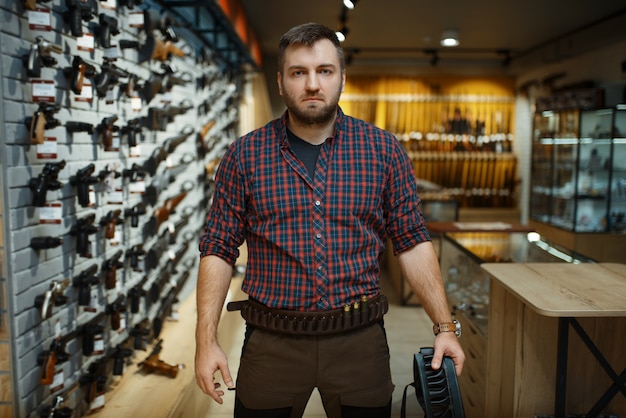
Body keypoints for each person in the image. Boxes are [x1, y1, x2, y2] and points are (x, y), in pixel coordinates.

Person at [195, 22, 465, 418]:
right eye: (298, 72)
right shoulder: (244, 155)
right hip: (272, 344)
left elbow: (412, 241)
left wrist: (444, 327)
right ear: (281, 82)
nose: (312, 84)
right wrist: (206, 340)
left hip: (359, 344)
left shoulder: (383, 151)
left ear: (342, 77)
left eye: (324, 71)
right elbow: (218, 247)